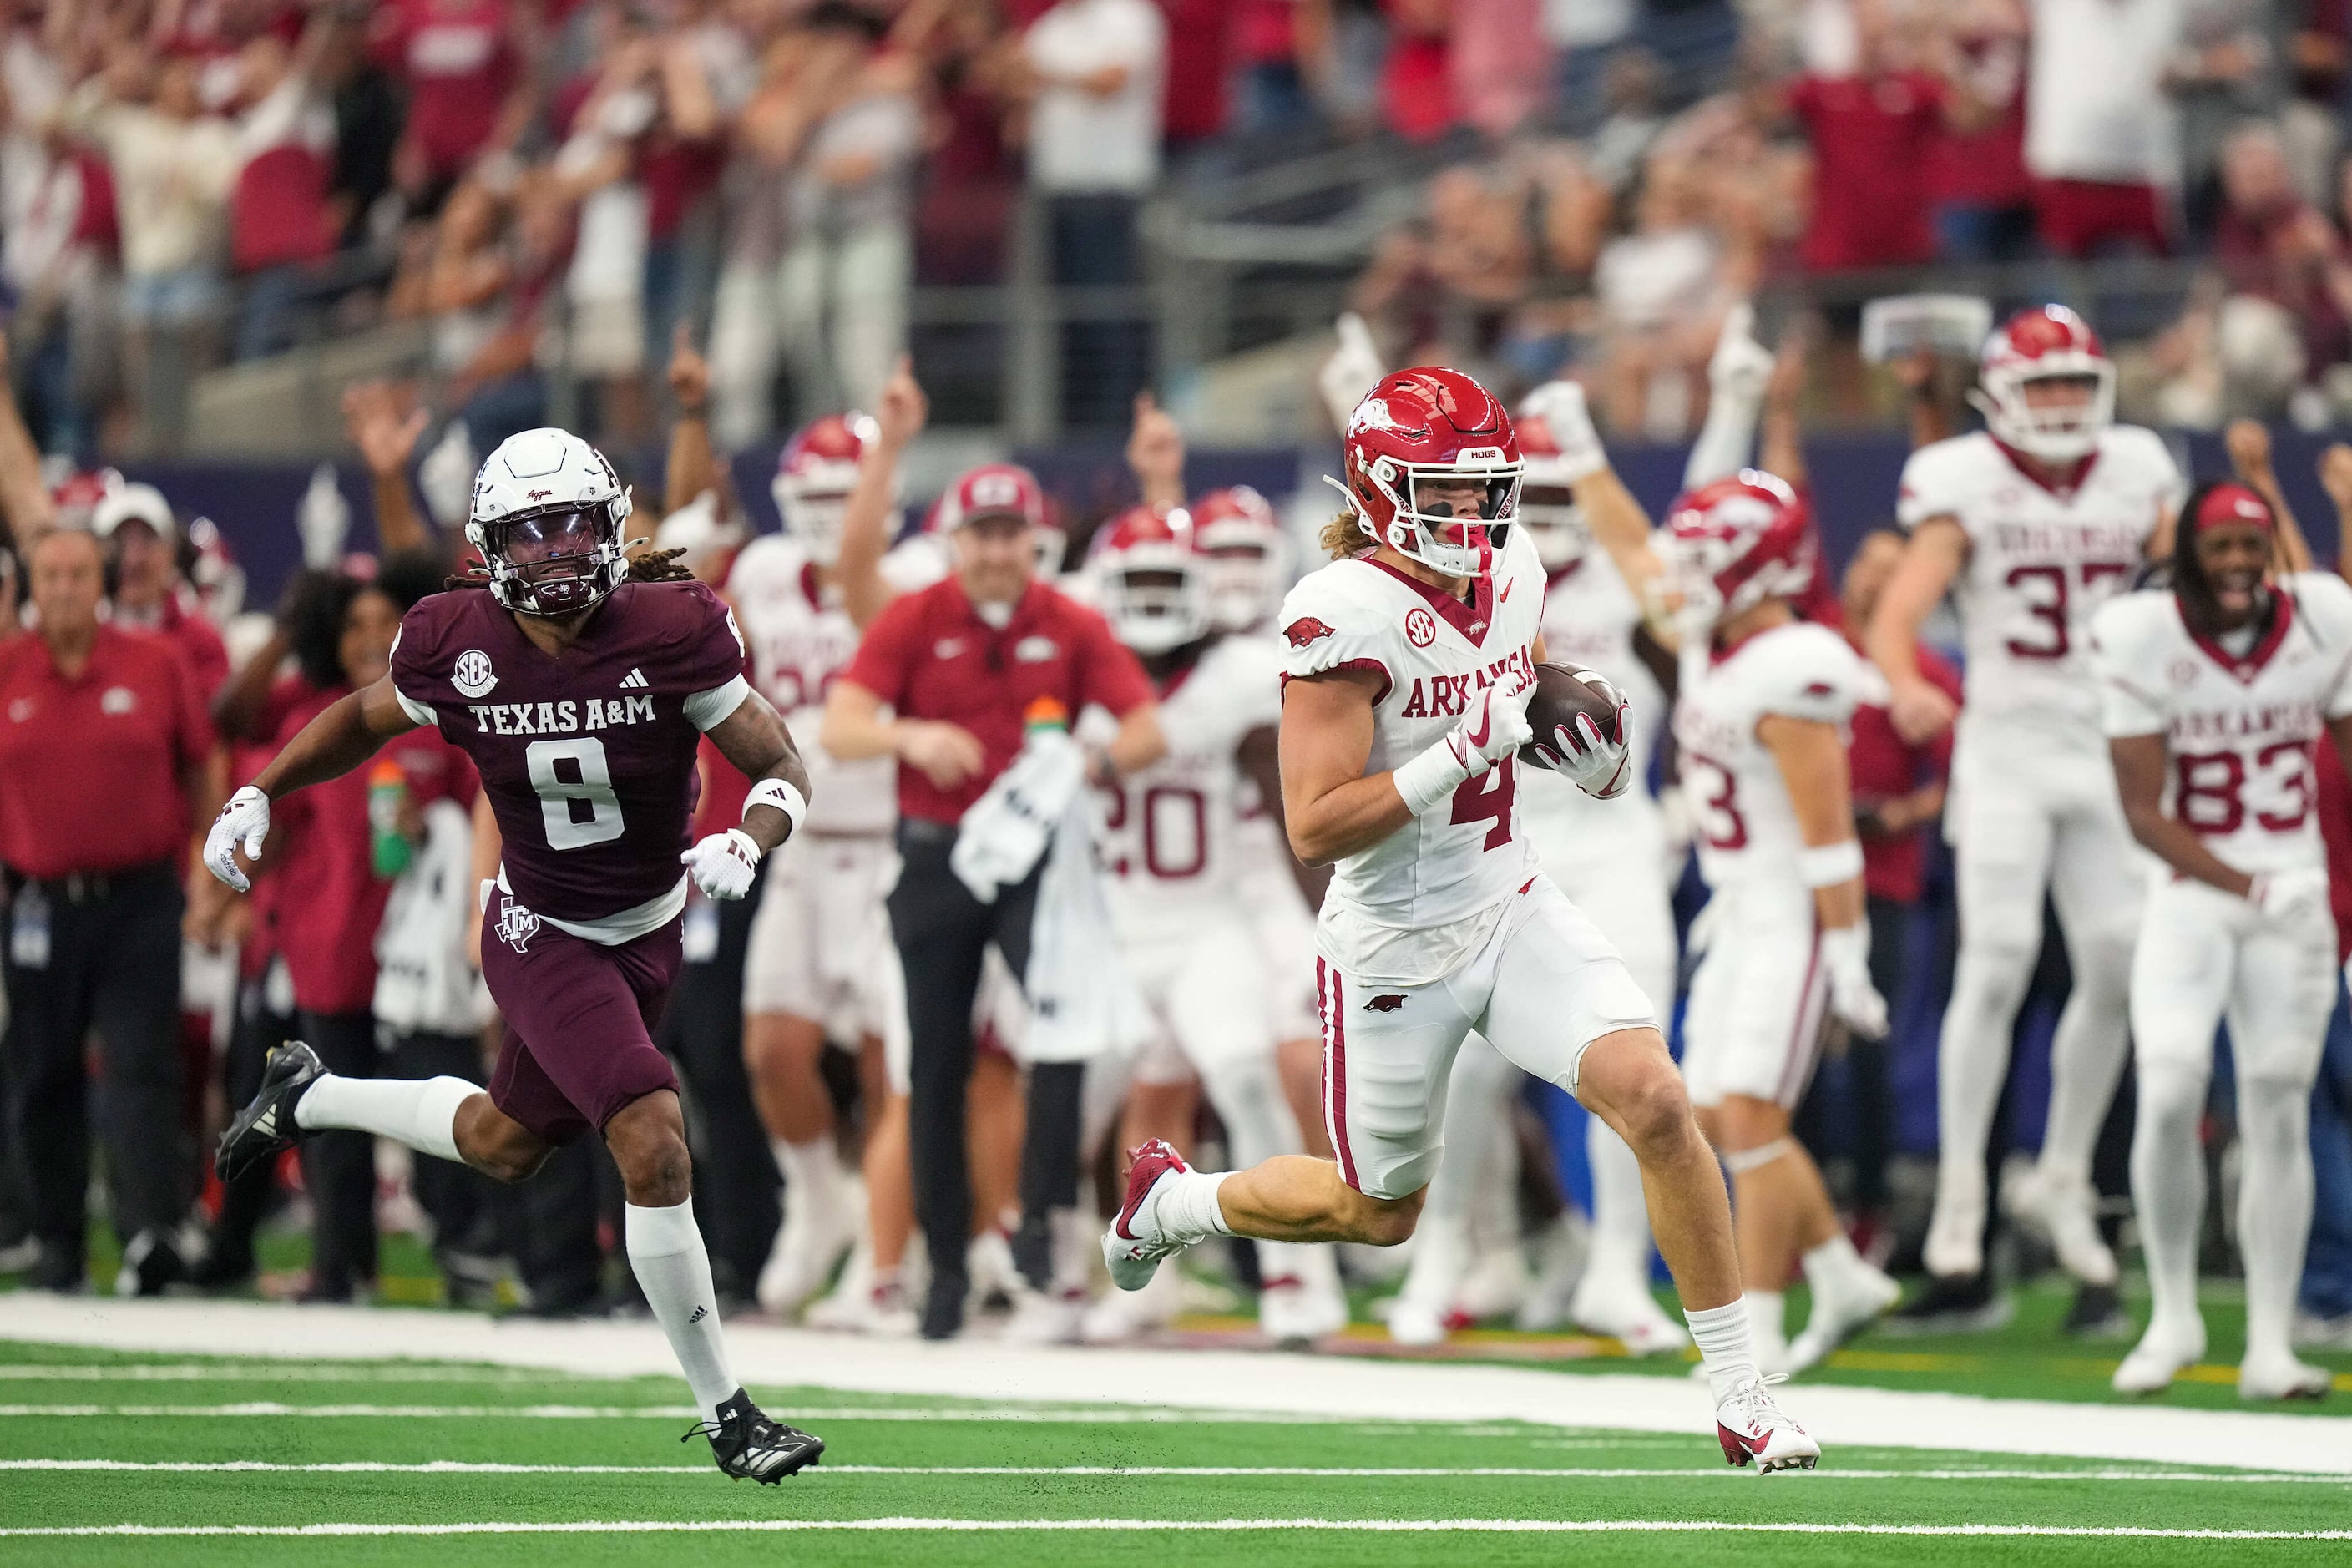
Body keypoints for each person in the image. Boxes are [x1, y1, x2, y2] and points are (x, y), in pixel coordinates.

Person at [1102, 367, 1818, 1471]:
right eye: (1446, 493)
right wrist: (1466, 749)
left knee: (1658, 1101)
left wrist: (1581, 733)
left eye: (1488, 492)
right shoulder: (1335, 611)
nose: (1477, 519)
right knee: (1374, 1210)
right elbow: (1316, 822)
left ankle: (1740, 1395)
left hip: (1508, 898)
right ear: (1379, 489)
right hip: (1390, 941)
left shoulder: (1516, 567)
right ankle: (1178, 1199)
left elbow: (1514, 689)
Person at [202, 428, 826, 1482]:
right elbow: (363, 720)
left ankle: (306, 1098)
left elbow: (780, 760)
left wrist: (749, 836)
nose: (554, 552)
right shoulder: (454, 637)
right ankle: (729, 1413)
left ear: (613, 525)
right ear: (489, 546)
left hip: (651, 924)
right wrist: (263, 785)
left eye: (573, 525)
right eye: (528, 535)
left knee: (505, 1141)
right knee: (653, 1137)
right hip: (538, 929)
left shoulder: (675, 626)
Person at [1866, 305, 2181, 1327]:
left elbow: (2183, 587)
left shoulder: (2137, 468)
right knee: (1995, 961)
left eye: (2071, 386)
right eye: (2039, 385)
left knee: (2119, 961)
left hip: (2102, 745)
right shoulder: (1967, 479)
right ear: (1998, 393)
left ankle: (2061, 1174)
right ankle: (1961, 1205)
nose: (2057, 405)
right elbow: (1898, 617)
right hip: (2005, 745)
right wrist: (1905, 682)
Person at [822, 458, 1166, 1338]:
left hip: (1036, 868)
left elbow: (1145, 728)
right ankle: (942, 1274)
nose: (997, 551)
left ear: (1034, 541)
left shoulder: (1068, 621)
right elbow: (842, 726)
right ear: (956, 541)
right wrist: (913, 733)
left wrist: (1090, 764)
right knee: (932, 1068)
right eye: (982, 533)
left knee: (1063, 1040)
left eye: (1012, 533)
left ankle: (1041, 1240)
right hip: (937, 860)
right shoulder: (913, 617)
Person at [1385, 386, 1688, 1356]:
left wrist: (1591, 449)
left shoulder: (1622, 585)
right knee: (1466, 1075)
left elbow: (1665, 567)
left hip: (1615, 845)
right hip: (1505, 849)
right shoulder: (1465, 587)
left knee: (1633, 1059)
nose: (1546, 521)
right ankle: (1439, 1261)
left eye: (1567, 496)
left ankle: (1613, 1271)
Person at [2088, 480, 2352, 1401]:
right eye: (2221, 546)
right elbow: (2141, 811)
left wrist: (2307, 889)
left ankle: (2271, 1343)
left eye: (2253, 544)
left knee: (2279, 1107)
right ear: (2191, 554)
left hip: (2296, 893)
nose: (2240, 563)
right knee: (2169, 1086)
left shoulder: (2323, 617)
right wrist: (2251, 883)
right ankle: (2172, 1313)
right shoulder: (2142, 634)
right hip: (2193, 895)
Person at [1074, 503, 1348, 1346]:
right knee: (1077, 1110)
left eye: (1169, 577)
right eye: (1140, 579)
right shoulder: (1080, 668)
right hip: (1109, 926)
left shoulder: (1240, 674)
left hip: (1206, 923)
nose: (1154, 596)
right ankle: (1086, 1278)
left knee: (1245, 1075)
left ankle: (1298, 1275)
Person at [1651, 473, 1902, 1374]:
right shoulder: (1713, 649)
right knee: (1715, 1115)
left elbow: (1830, 839)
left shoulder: (1797, 663)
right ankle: (1838, 1273)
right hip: (1737, 913)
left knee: (1753, 1117)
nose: (1681, 575)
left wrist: (1847, 956)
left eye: (1703, 558)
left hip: (1791, 918)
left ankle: (1755, 1325)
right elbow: (1629, 554)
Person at [731, 407, 928, 1320]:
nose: (827, 516)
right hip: (803, 850)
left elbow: (861, 588)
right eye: (813, 498)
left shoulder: (918, 573)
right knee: (774, 1051)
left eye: (844, 498)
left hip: (891, 847)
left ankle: (894, 1247)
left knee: (897, 1067)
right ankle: (820, 1205)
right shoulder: (762, 574)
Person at [0, 528, 220, 1296]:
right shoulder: (7, 669)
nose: (63, 587)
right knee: (43, 1074)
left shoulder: (152, 662)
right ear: (30, 582)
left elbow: (201, 763)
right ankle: (58, 1243)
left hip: (139, 899)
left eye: (77, 572)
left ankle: (148, 1236)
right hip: (36, 904)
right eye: (49, 573)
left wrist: (207, 867)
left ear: (99, 580)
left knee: (141, 1065)